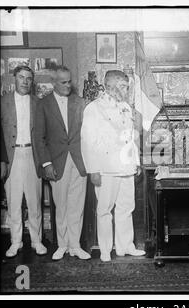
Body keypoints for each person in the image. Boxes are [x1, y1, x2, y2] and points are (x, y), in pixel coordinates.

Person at [81, 70, 145, 262]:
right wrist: (93, 169)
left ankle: (125, 247)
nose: (126, 90)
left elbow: (132, 137)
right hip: (106, 168)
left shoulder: (125, 106)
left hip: (126, 166)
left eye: (127, 86)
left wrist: (136, 162)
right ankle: (106, 250)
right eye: (123, 86)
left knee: (127, 207)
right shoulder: (94, 108)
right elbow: (87, 141)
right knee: (104, 209)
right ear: (109, 86)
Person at [34, 65, 90, 261]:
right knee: (62, 206)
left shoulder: (80, 102)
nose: (68, 85)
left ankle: (75, 246)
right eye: (63, 82)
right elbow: (39, 138)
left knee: (77, 206)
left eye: (69, 81)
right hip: (56, 162)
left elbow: (88, 134)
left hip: (78, 161)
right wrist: (46, 163)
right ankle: (62, 245)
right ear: (53, 83)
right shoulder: (43, 104)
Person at [1, 65, 47, 258]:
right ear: (14, 78)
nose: (25, 82)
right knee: (13, 202)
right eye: (22, 77)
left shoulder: (38, 103)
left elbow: (44, 135)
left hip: (32, 155)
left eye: (29, 78)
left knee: (34, 201)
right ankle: (15, 241)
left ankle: (37, 241)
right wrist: (1, 160)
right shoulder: (2, 101)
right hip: (12, 158)